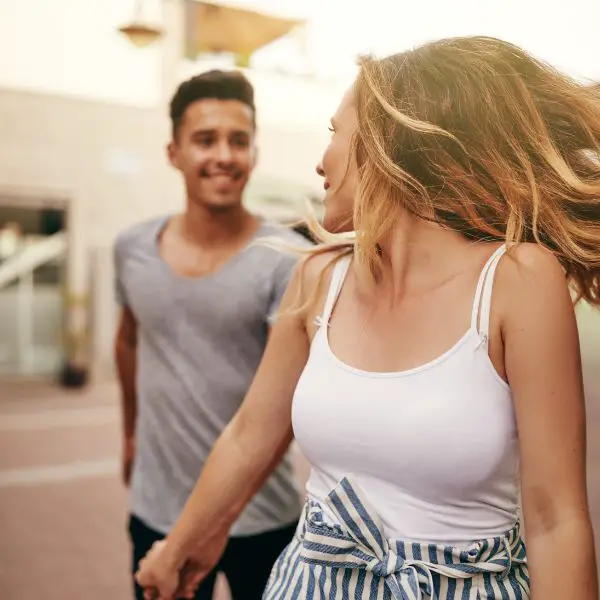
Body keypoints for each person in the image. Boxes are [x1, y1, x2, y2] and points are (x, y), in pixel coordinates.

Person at [135, 37, 600, 600]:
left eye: (335, 132)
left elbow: (556, 520)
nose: (320, 159)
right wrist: (182, 544)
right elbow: (249, 436)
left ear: (387, 143)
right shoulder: (318, 278)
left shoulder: (517, 280)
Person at [113, 69, 309, 600]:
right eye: (205, 140)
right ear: (173, 152)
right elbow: (129, 340)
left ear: (255, 153)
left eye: (238, 140)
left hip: (261, 517)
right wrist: (131, 434)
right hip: (158, 512)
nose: (224, 154)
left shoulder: (286, 260)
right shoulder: (131, 248)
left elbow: (287, 402)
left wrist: (222, 513)